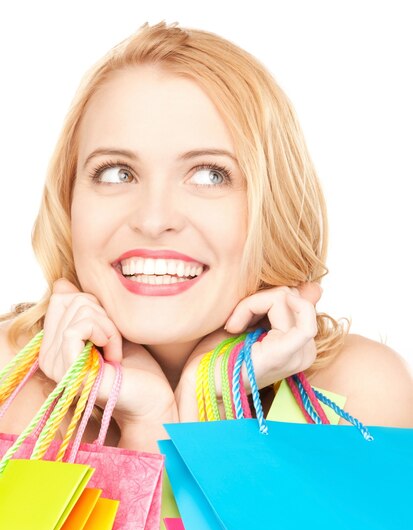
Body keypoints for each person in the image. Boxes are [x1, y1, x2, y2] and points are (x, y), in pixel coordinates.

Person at [0, 21, 412, 454]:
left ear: (274, 203)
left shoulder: (362, 398)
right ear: (68, 200)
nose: (154, 219)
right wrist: (147, 422)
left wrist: (209, 400)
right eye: (117, 172)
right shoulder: (9, 386)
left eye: (209, 175)